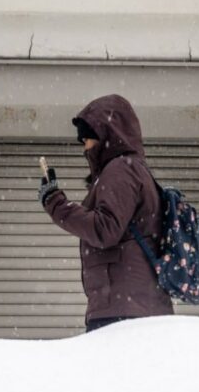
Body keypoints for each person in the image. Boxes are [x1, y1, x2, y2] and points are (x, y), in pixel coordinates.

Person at [38, 94, 173, 333]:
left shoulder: (121, 169)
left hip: (124, 310)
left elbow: (105, 229)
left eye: (88, 139)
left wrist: (56, 203)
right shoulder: (131, 169)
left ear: (107, 136)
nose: (85, 148)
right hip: (135, 305)